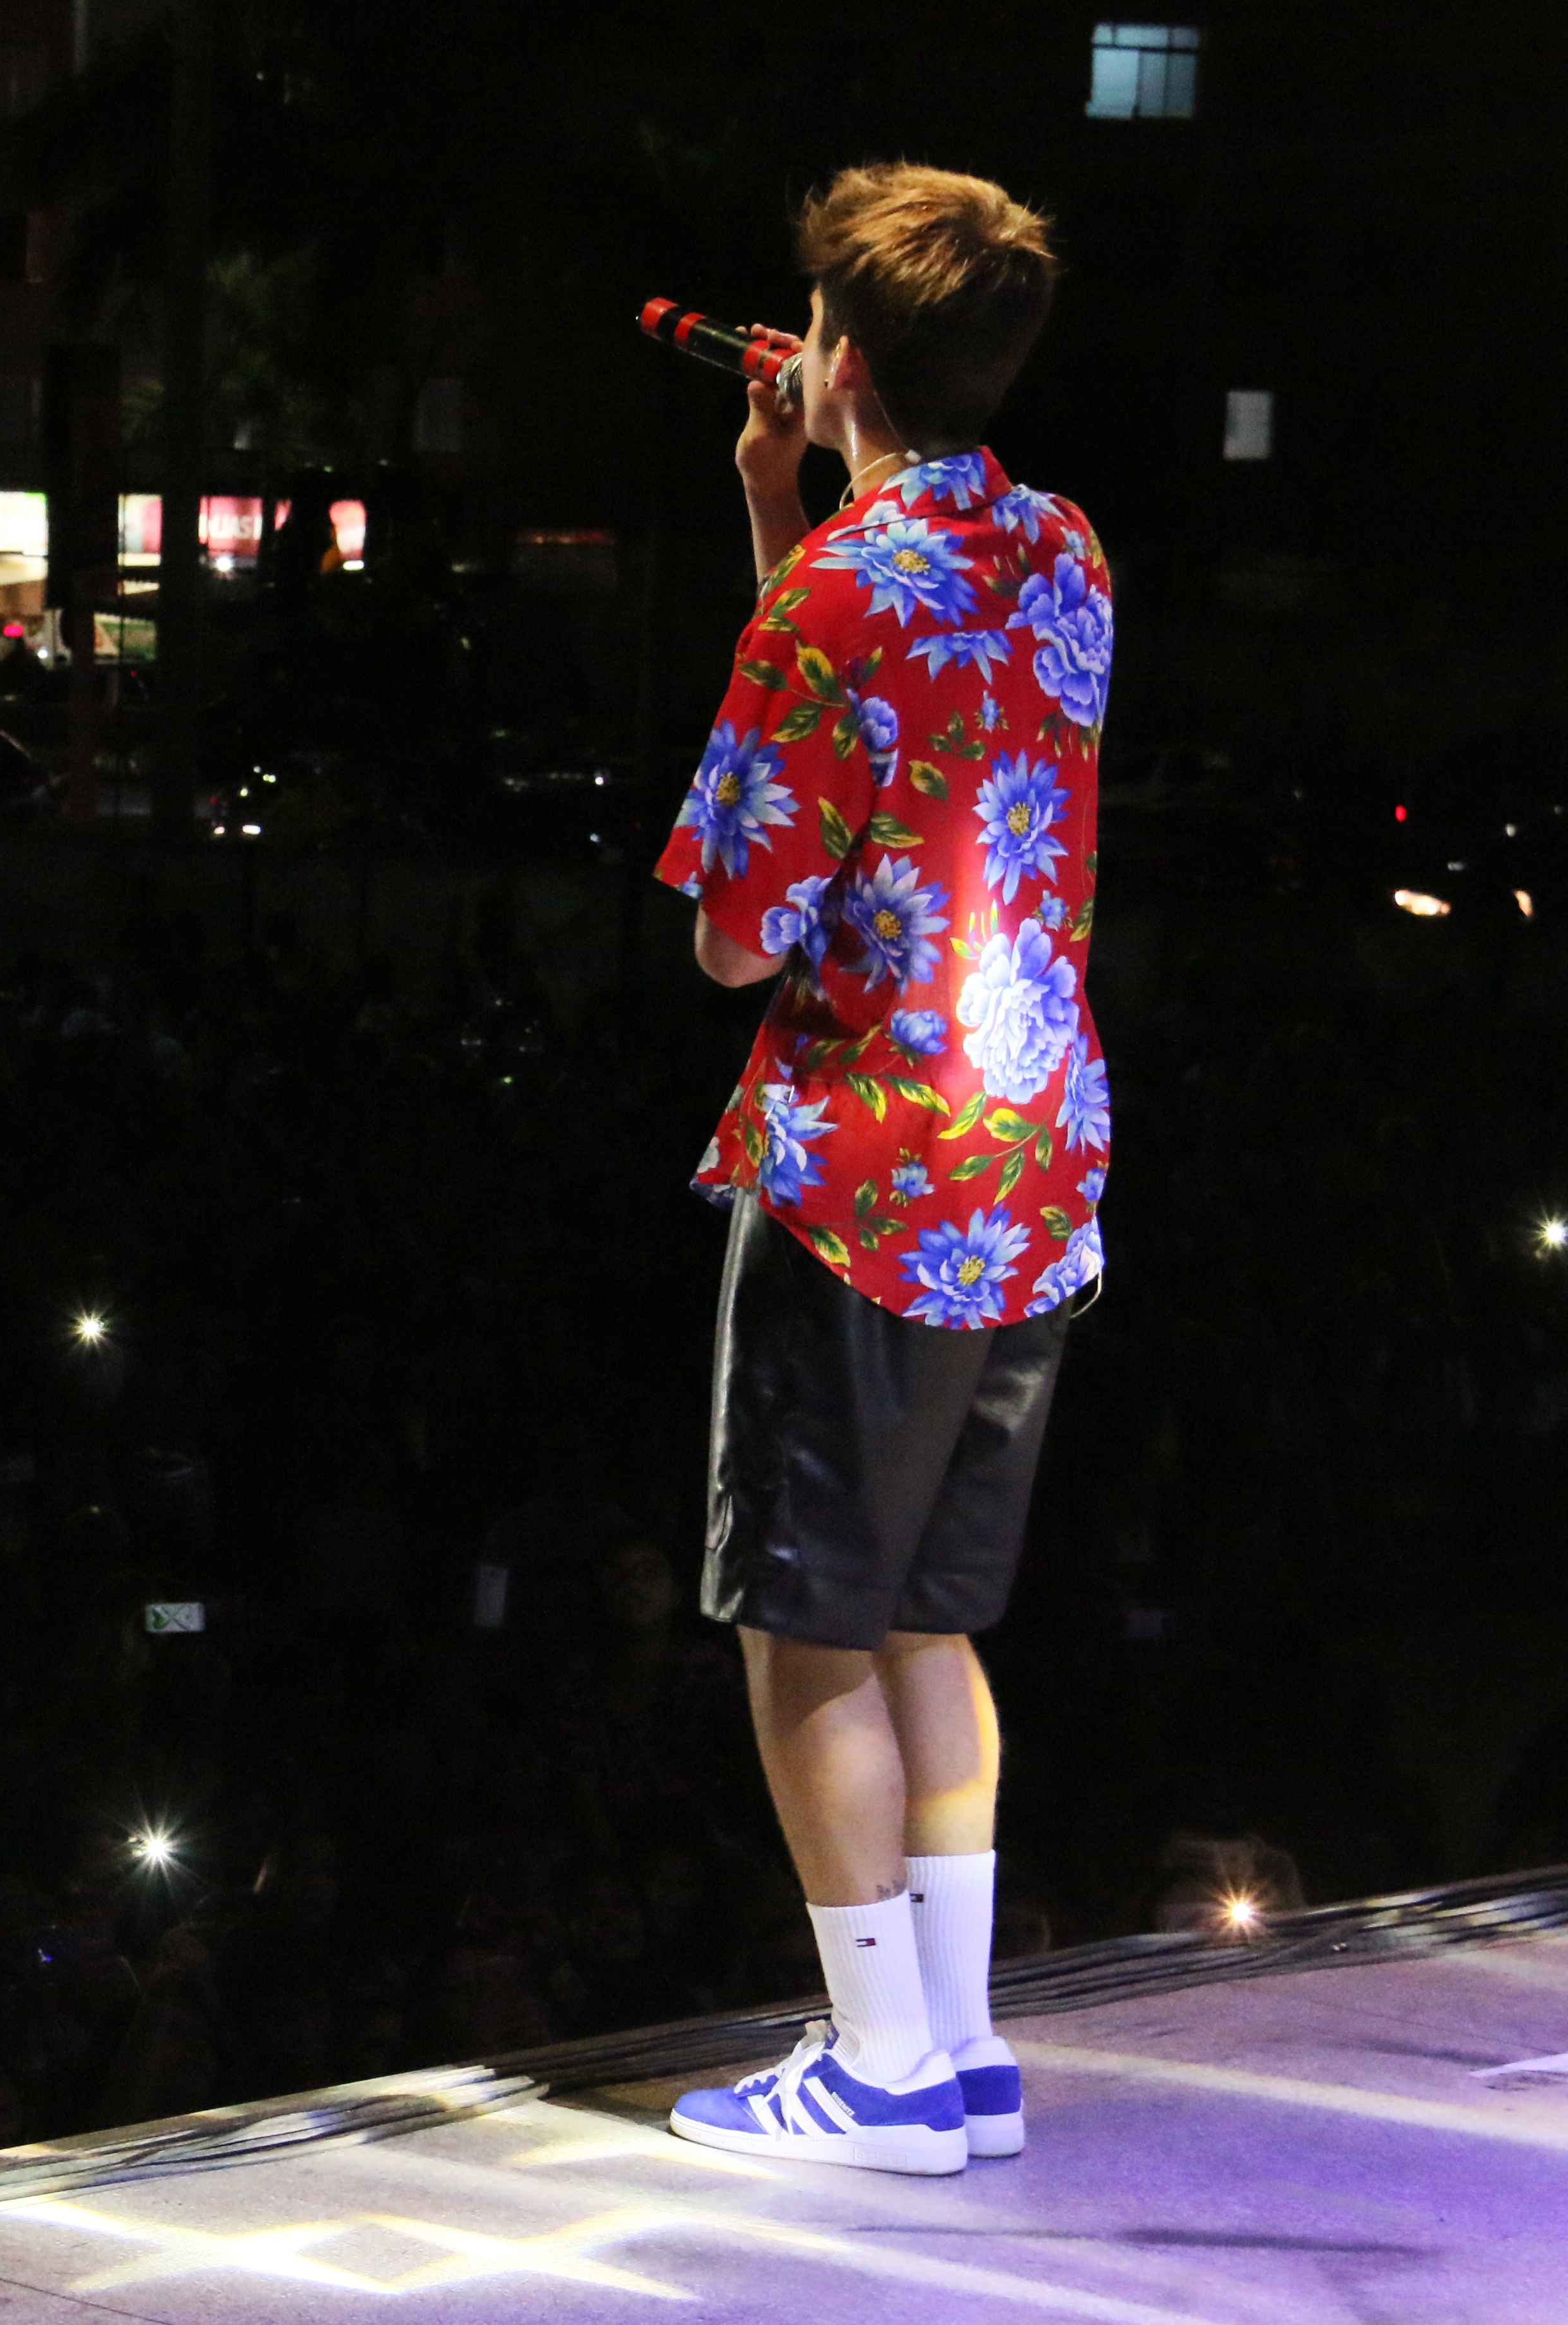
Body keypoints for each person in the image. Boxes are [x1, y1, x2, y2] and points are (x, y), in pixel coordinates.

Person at [652, 161, 1103, 2177]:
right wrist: (793, 497)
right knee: (933, 1615)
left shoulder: (839, 598)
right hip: (1033, 1159)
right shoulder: (1067, 549)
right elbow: (912, 663)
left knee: (807, 1629)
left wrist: (796, 537)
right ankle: (958, 2049)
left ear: (837, 352)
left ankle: (877, 2072)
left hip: (861, 1174)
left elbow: (736, 935)